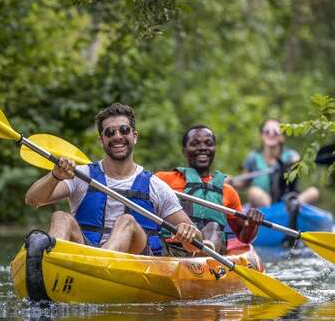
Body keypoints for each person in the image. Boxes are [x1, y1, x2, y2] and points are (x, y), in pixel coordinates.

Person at [24, 103, 203, 256]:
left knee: (127, 222)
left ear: (135, 136)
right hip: (86, 254)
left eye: (124, 130)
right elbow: (32, 200)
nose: (117, 136)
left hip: (136, 261)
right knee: (60, 217)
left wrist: (190, 233)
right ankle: (51, 263)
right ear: (102, 140)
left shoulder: (155, 186)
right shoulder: (81, 174)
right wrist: (55, 176)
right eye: (110, 132)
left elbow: (194, 245)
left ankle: (98, 264)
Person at [155, 125, 264, 255]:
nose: (202, 148)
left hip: (213, 254)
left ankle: (205, 251)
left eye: (209, 143)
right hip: (173, 249)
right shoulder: (162, 180)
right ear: (184, 151)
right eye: (195, 143)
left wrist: (252, 225)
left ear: (214, 149)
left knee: (214, 226)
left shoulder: (228, 191)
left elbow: (245, 237)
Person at [230, 118, 319, 208]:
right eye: (267, 131)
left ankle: (289, 208)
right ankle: (274, 213)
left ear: (282, 137)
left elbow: (296, 174)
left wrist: (292, 164)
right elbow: (243, 183)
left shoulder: (291, 156)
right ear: (261, 135)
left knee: (313, 192)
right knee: (253, 191)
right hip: (265, 203)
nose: (271, 134)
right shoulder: (253, 158)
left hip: (287, 199)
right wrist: (231, 181)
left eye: (276, 132)